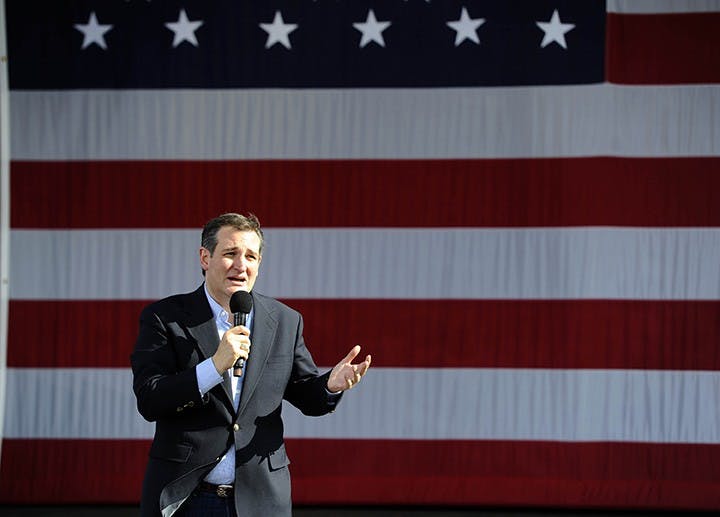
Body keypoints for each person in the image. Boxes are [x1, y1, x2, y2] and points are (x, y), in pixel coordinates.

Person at [131, 213, 371, 517]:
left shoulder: (284, 319)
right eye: (230, 254)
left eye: (251, 256)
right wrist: (215, 365)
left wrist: (329, 386)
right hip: (186, 498)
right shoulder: (165, 318)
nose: (241, 265)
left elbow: (307, 396)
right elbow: (150, 399)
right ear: (205, 257)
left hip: (260, 500)